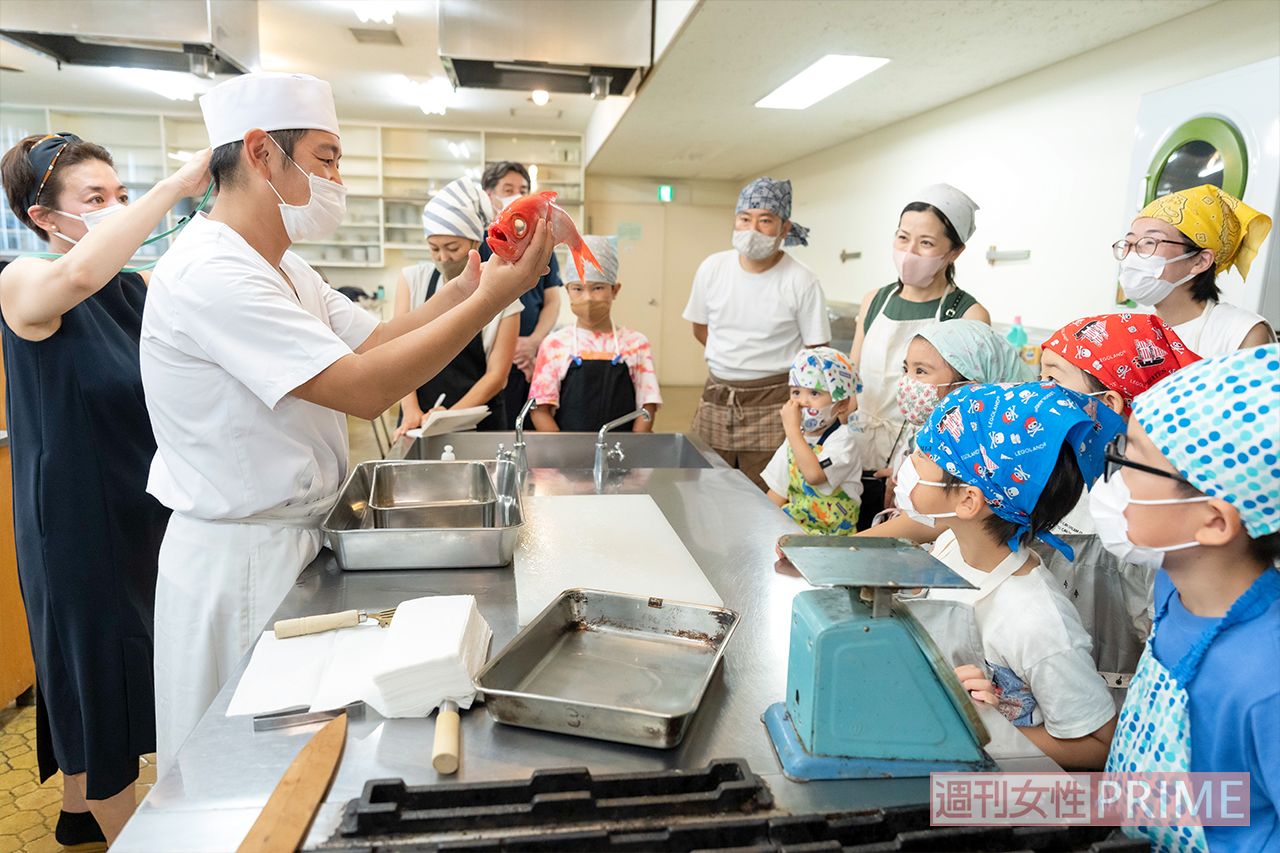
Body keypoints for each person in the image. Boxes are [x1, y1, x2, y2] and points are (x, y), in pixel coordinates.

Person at [139, 72, 553, 772]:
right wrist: (493, 304)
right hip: (241, 559)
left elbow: (377, 340)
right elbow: (363, 388)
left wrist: (471, 282)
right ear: (262, 152)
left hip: (286, 541)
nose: (336, 179)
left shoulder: (284, 266)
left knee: (294, 762)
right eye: (326, 158)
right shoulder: (211, 273)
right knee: (244, 775)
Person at [0, 133, 210, 843]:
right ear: (43, 217)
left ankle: (74, 814)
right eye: (96, 199)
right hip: (75, 521)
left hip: (138, 507)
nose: (116, 211)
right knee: (95, 670)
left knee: (114, 664)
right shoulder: (25, 280)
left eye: (120, 194)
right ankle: (129, 833)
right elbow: (76, 280)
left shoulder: (131, 288)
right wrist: (172, 189)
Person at [1093, 344, 1279, 852]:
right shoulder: (1176, 585)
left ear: (1214, 521)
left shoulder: (1268, 678)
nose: (1116, 473)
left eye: (1135, 460)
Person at [897, 382, 1124, 769]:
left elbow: (1100, 745)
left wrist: (986, 725)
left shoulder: (1036, 620)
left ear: (969, 500)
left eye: (926, 453)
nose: (911, 461)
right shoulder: (953, 542)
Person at [1035, 313, 1201, 684]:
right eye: (1039, 377)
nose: (1038, 393)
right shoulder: (1059, 467)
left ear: (1107, 401)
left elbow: (1155, 623)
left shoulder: (1146, 507)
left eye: (1053, 379)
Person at [850, 184, 991, 528]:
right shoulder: (874, 301)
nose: (909, 251)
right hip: (854, 454)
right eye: (902, 238)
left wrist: (912, 465)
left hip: (919, 467)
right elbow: (851, 381)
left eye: (926, 243)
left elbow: (967, 413)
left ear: (954, 251)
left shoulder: (968, 315)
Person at [683, 176, 830, 490]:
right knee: (706, 485)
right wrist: (732, 357)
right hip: (717, 395)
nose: (753, 229)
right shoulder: (713, 268)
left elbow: (818, 352)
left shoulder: (801, 280)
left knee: (765, 492)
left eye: (765, 220)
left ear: (784, 227)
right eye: (744, 218)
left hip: (773, 400)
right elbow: (700, 328)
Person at [391, 177, 522, 437]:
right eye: (434, 248)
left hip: (478, 421)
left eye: (452, 248)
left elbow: (497, 376)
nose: (443, 257)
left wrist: (450, 417)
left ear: (475, 243)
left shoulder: (505, 297)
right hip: (418, 418)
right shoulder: (411, 280)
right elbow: (398, 352)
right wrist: (411, 409)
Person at [882, 319, 1035, 499]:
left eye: (921, 371)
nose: (907, 381)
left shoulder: (976, 460)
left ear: (969, 389)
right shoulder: (925, 429)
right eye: (906, 368)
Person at [1115, 184, 1274, 355]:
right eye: (1129, 243)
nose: (1131, 254)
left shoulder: (1241, 333)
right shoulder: (1130, 333)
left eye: (1149, 242)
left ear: (1200, 261)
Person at [527, 235, 660, 432]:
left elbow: (647, 407)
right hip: (569, 455)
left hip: (621, 453)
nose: (588, 298)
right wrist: (564, 454)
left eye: (598, 288)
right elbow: (539, 409)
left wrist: (633, 450)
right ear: (568, 291)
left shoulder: (636, 343)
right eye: (578, 289)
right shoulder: (554, 345)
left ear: (615, 290)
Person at [480, 160, 563, 420]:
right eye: (508, 189)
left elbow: (552, 300)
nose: (517, 195)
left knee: (529, 424)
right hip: (489, 357)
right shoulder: (482, 242)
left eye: (523, 189)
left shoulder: (541, 241)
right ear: (489, 195)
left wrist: (534, 341)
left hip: (530, 354)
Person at [762, 347, 863, 534]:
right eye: (796, 392)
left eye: (814, 393)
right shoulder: (794, 440)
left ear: (841, 404)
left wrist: (792, 430)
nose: (803, 402)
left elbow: (814, 476)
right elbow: (777, 492)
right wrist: (760, 525)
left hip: (835, 540)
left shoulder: (842, 440)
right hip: (794, 532)